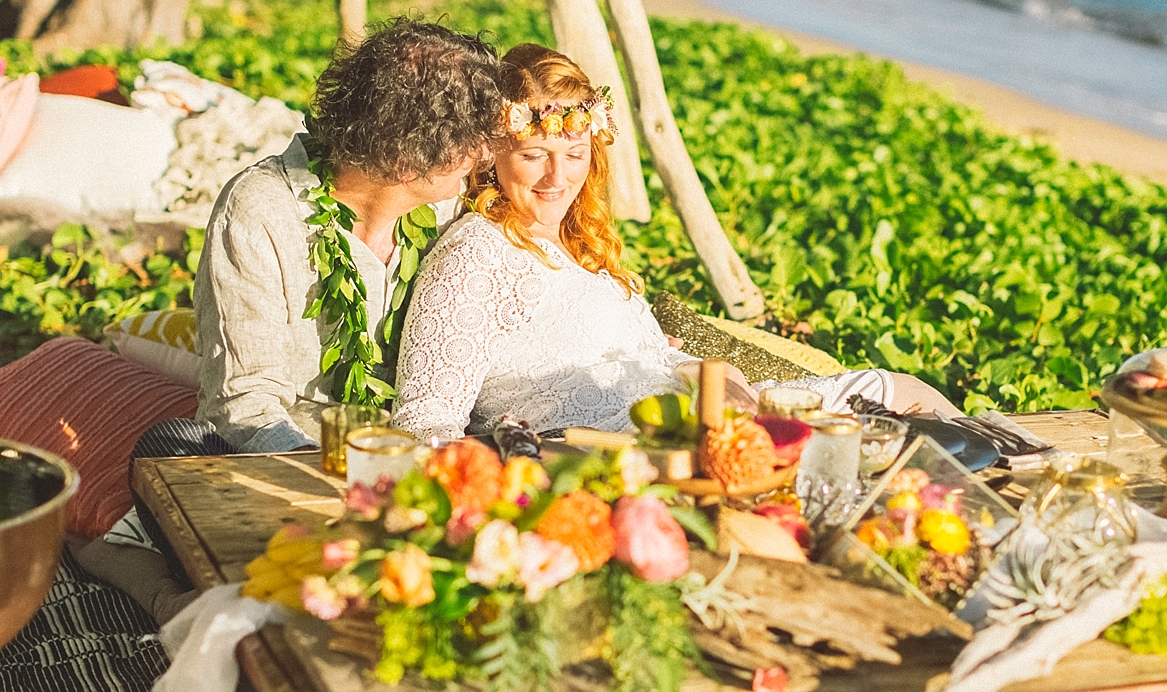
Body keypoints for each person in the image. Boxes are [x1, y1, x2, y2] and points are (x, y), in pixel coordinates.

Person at [392, 44, 957, 440]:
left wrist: (714, 374)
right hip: (634, 455)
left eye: (573, 155)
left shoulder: (579, 246)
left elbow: (649, 356)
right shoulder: (476, 257)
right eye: (534, 155)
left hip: (708, 413)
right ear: (492, 155)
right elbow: (425, 423)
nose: (556, 179)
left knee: (901, 389)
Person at [191, 17, 506, 453]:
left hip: (417, 461)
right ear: (406, 159)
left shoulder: (452, 210)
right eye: (471, 142)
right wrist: (337, 477)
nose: (486, 155)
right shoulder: (261, 211)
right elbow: (245, 403)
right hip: (291, 463)